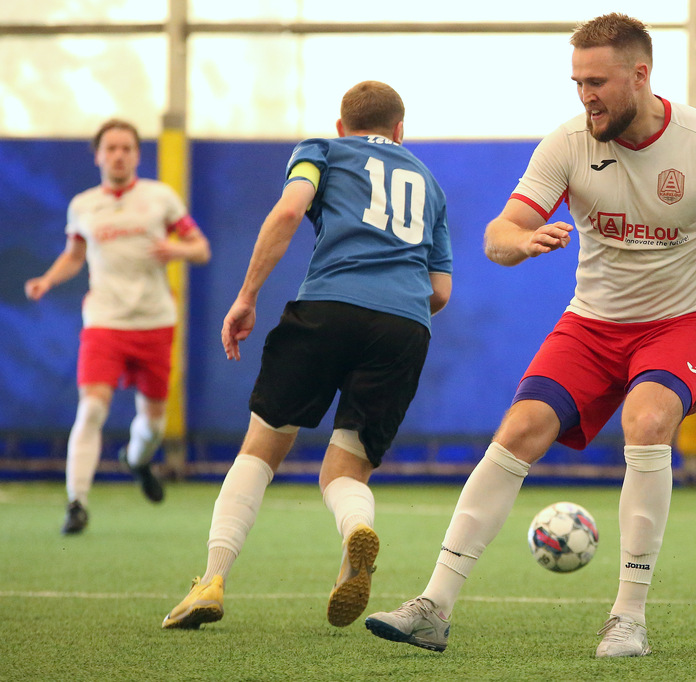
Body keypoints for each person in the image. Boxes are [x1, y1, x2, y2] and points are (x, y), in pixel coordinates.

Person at [365, 13, 696, 658]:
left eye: (597, 82)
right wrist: (524, 242)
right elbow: (498, 234)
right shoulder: (566, 143)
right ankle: (433, 606)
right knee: (519, 429)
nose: (586, 96)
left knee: (647, 422)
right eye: (578, 83)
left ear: (640, 75)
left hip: (678, 323)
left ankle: (628, 618)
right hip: (591, 323)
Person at [161, 81, 453, 630]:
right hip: (405, 326)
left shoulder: (322, 149)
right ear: (399, 130)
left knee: (260, 450)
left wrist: (247, 296)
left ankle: (212, 580)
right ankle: (354, 530)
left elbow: (290, 211)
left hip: (327, 309)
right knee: (347, 469)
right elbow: (440, 291)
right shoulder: (429, 183)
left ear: (342, 126)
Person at [24, 119, 211, 535]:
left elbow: (200, 249)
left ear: (137, 154)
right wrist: (48, 280)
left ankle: (137, 461)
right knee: (91, 408)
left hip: (154, 321)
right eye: (111, 148)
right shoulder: (83, 205)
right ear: (98, 156)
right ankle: (77, 503)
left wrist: (175, 249)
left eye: (126, 147)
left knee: (154, 424)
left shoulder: (160, 197)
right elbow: (74, 256)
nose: (119, 155)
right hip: (104, 322)